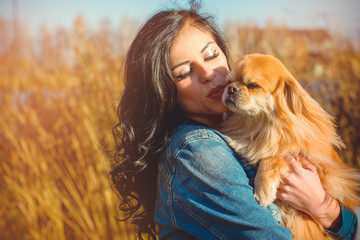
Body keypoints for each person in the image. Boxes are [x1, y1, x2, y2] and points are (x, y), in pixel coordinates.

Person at [110, 4, 358, 240]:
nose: (208, 74)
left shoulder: (244, 130)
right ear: (162, 92)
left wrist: (326, 210)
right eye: (185, 73)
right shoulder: (197, 151)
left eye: (211, 55)